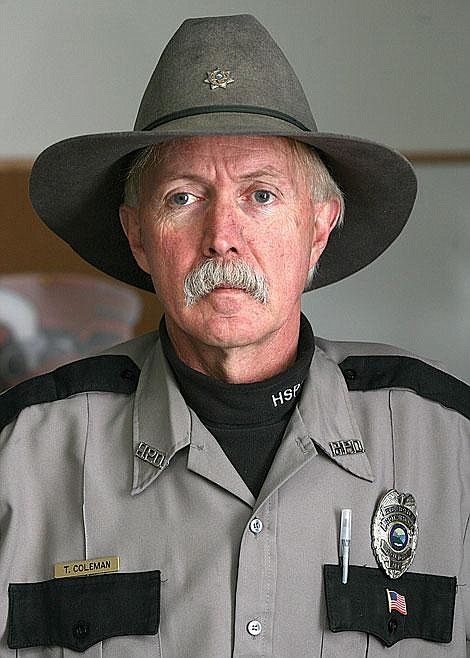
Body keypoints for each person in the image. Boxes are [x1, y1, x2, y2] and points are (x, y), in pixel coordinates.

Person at [1, 14, 468, 657]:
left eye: (262, 195)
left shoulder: (449, 446)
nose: (222, 236)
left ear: (319, 228)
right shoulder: (20, 456)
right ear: (138, 236)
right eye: (183, 198)